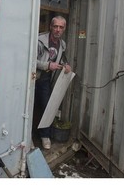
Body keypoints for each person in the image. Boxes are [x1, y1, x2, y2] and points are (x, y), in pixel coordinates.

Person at [35, 16, 72, 150]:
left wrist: (66, 65)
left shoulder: (62, 44)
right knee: (29, 107)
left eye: (61, 27)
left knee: (46, 107)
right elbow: (30, 61)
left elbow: (61, 58)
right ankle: (26, 138)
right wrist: (47, 65)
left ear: (64, 29)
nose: (58, 30)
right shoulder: (40, 41)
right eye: (55, 26)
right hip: (33, 78)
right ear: (50, 27)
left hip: (45, 80)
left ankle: (45, 136)